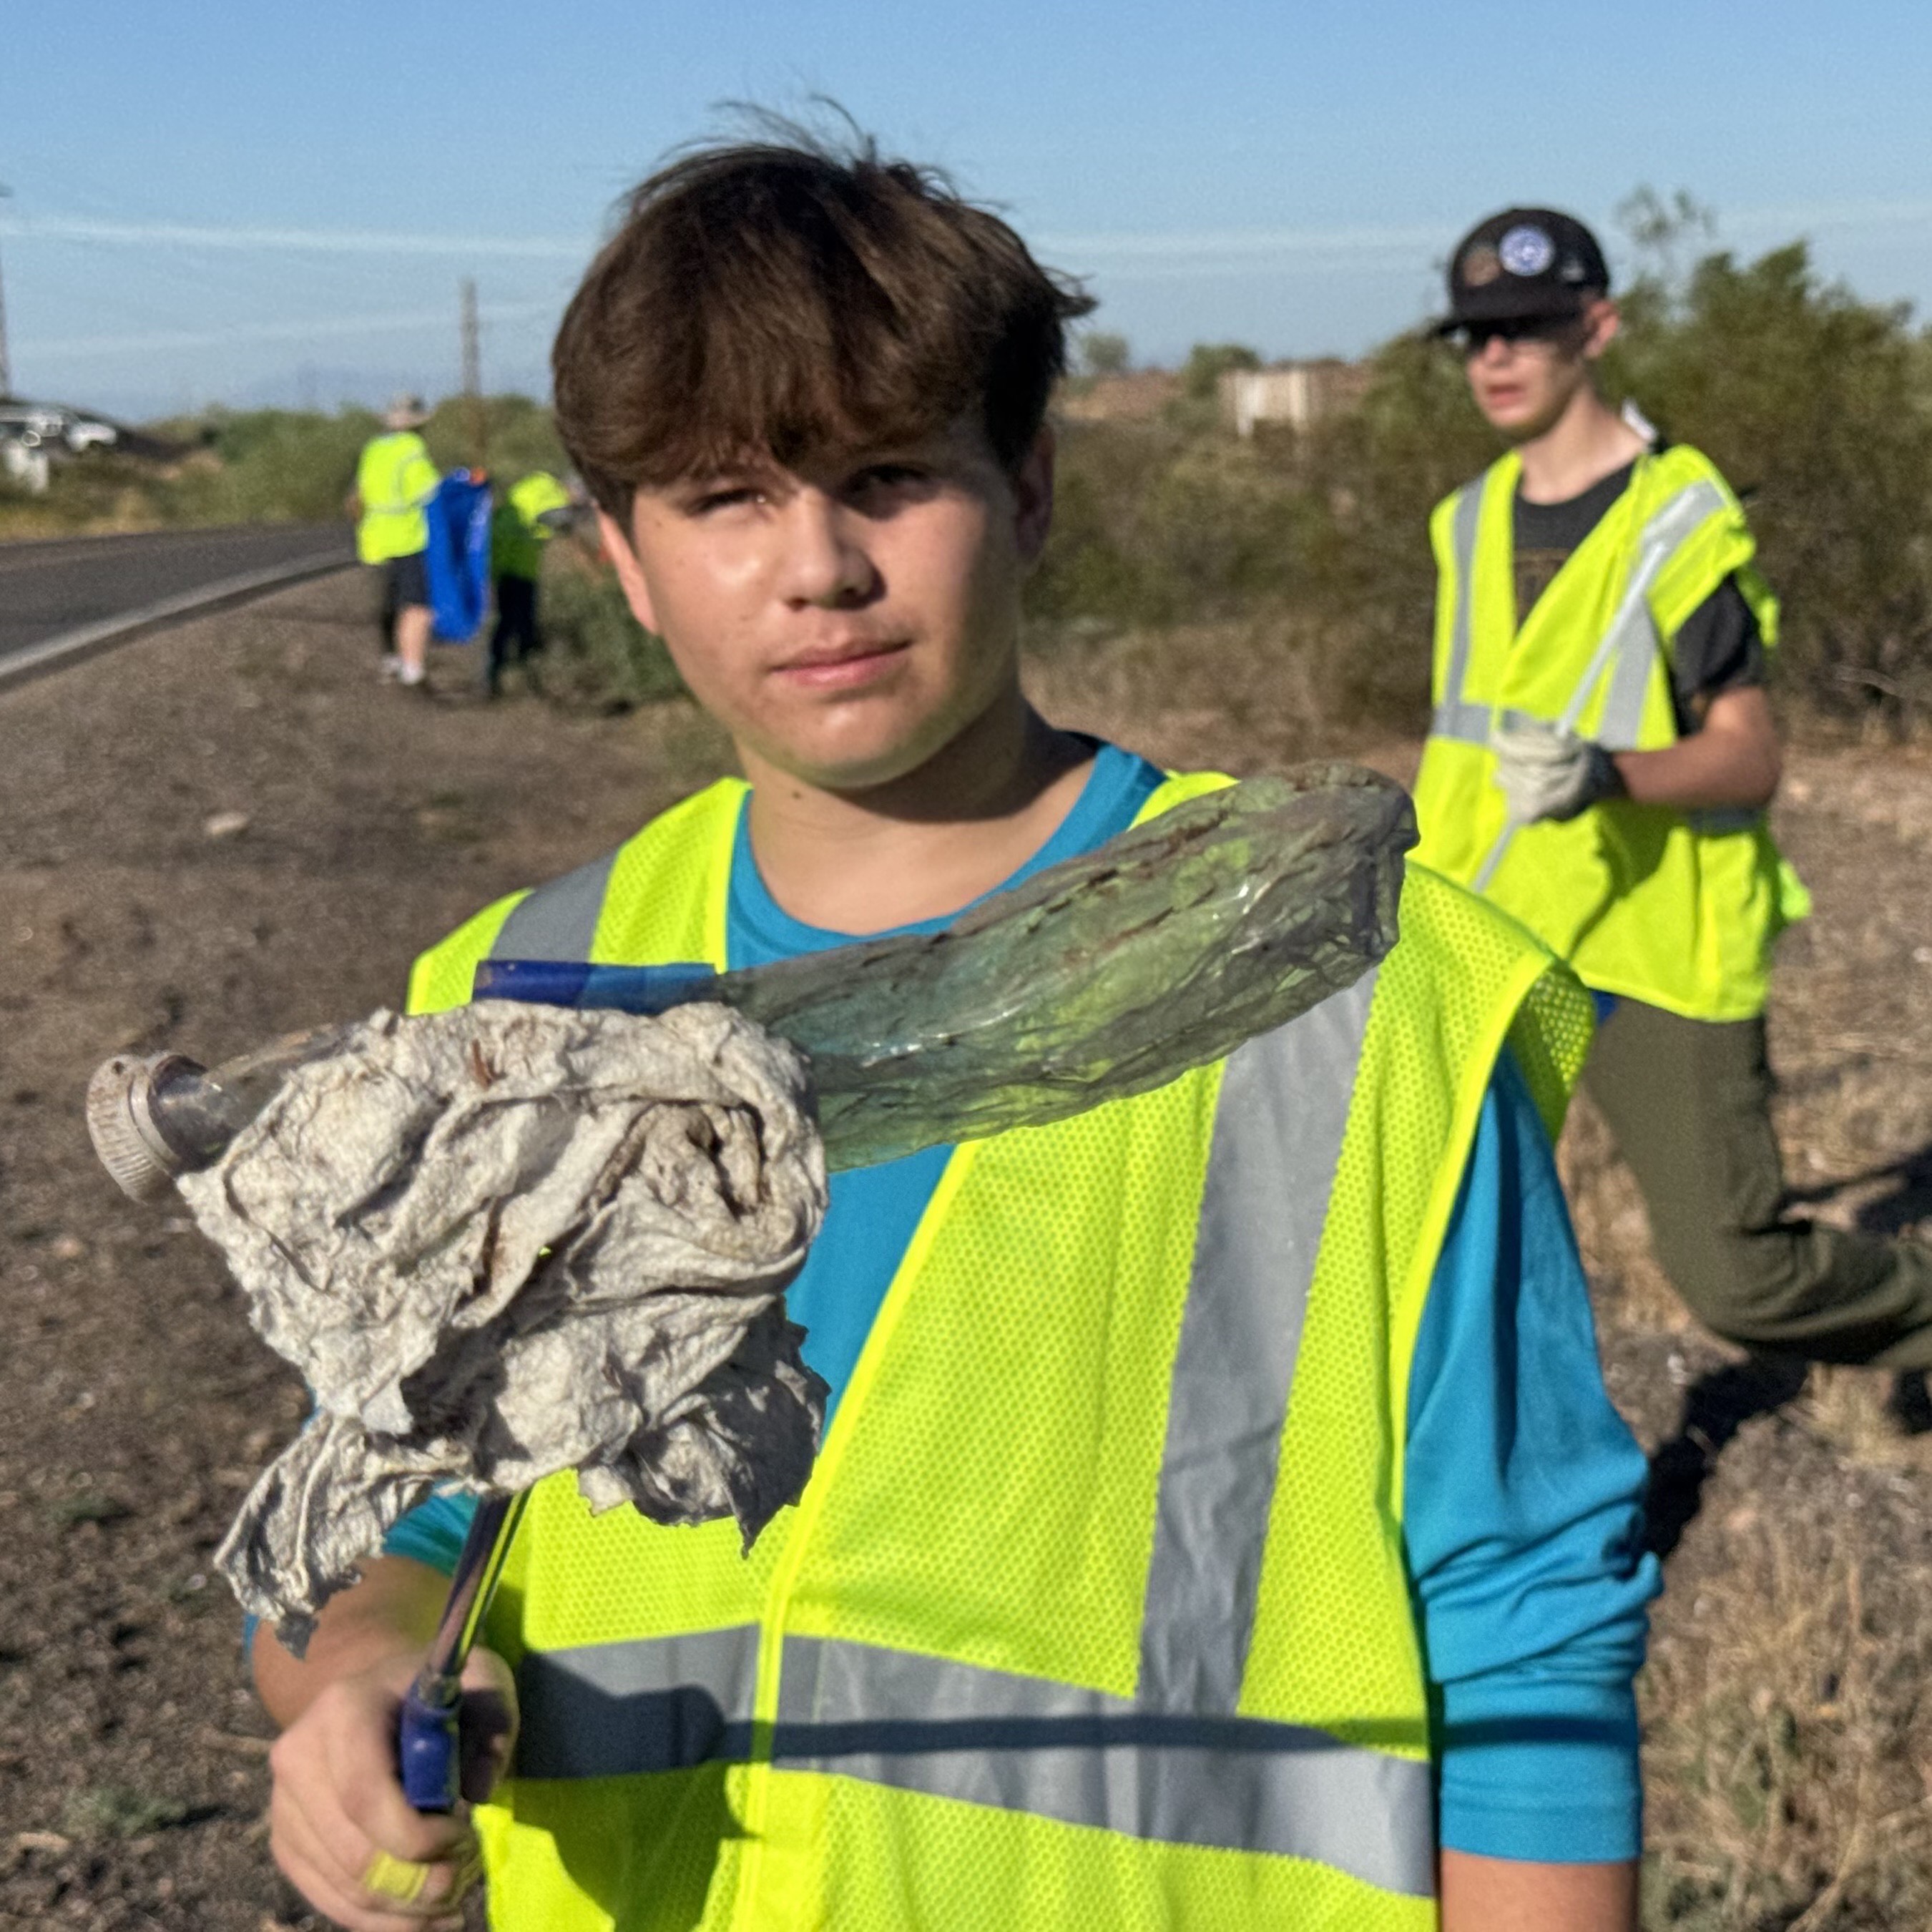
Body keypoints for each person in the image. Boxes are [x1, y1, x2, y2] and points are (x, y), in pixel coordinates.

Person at [254, 137, 1655, 1932]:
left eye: (889, 474)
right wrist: (359, 1669)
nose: (817, 565)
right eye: (721, 497)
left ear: (1031, 483)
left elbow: (1525, 1599)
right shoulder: (507, 1002)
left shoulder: (1360, 979)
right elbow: (382, 1512)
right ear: (618, 556)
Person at [1411, 206, 1932, 1375]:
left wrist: (1606, 773)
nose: (1494, 358)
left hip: (1652, 950)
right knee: (1439, 1254)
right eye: (1473, 335)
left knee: (1739, 1279)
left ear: (1596, 328)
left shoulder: (1679, 518)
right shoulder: (1463, 523)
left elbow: (1751, 753)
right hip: (1486, 934)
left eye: (1525, 329)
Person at [348, 396, 440, 689]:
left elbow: (358, 495)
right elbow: (429, 492)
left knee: (386, 604)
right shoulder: (413, 450)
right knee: (415, 606)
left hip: (374, 539)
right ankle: (412, 668)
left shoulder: (373, 449)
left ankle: (390, 657)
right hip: (408, 538)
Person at [486, 468, 576, 697]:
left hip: (509, 562)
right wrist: (574, 516)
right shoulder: (551, 493)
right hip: (517, 566)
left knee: (514, 621)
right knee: (517, 622)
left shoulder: (538, 484)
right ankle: (513, 676)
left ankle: (507, 675)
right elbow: (548, 516)